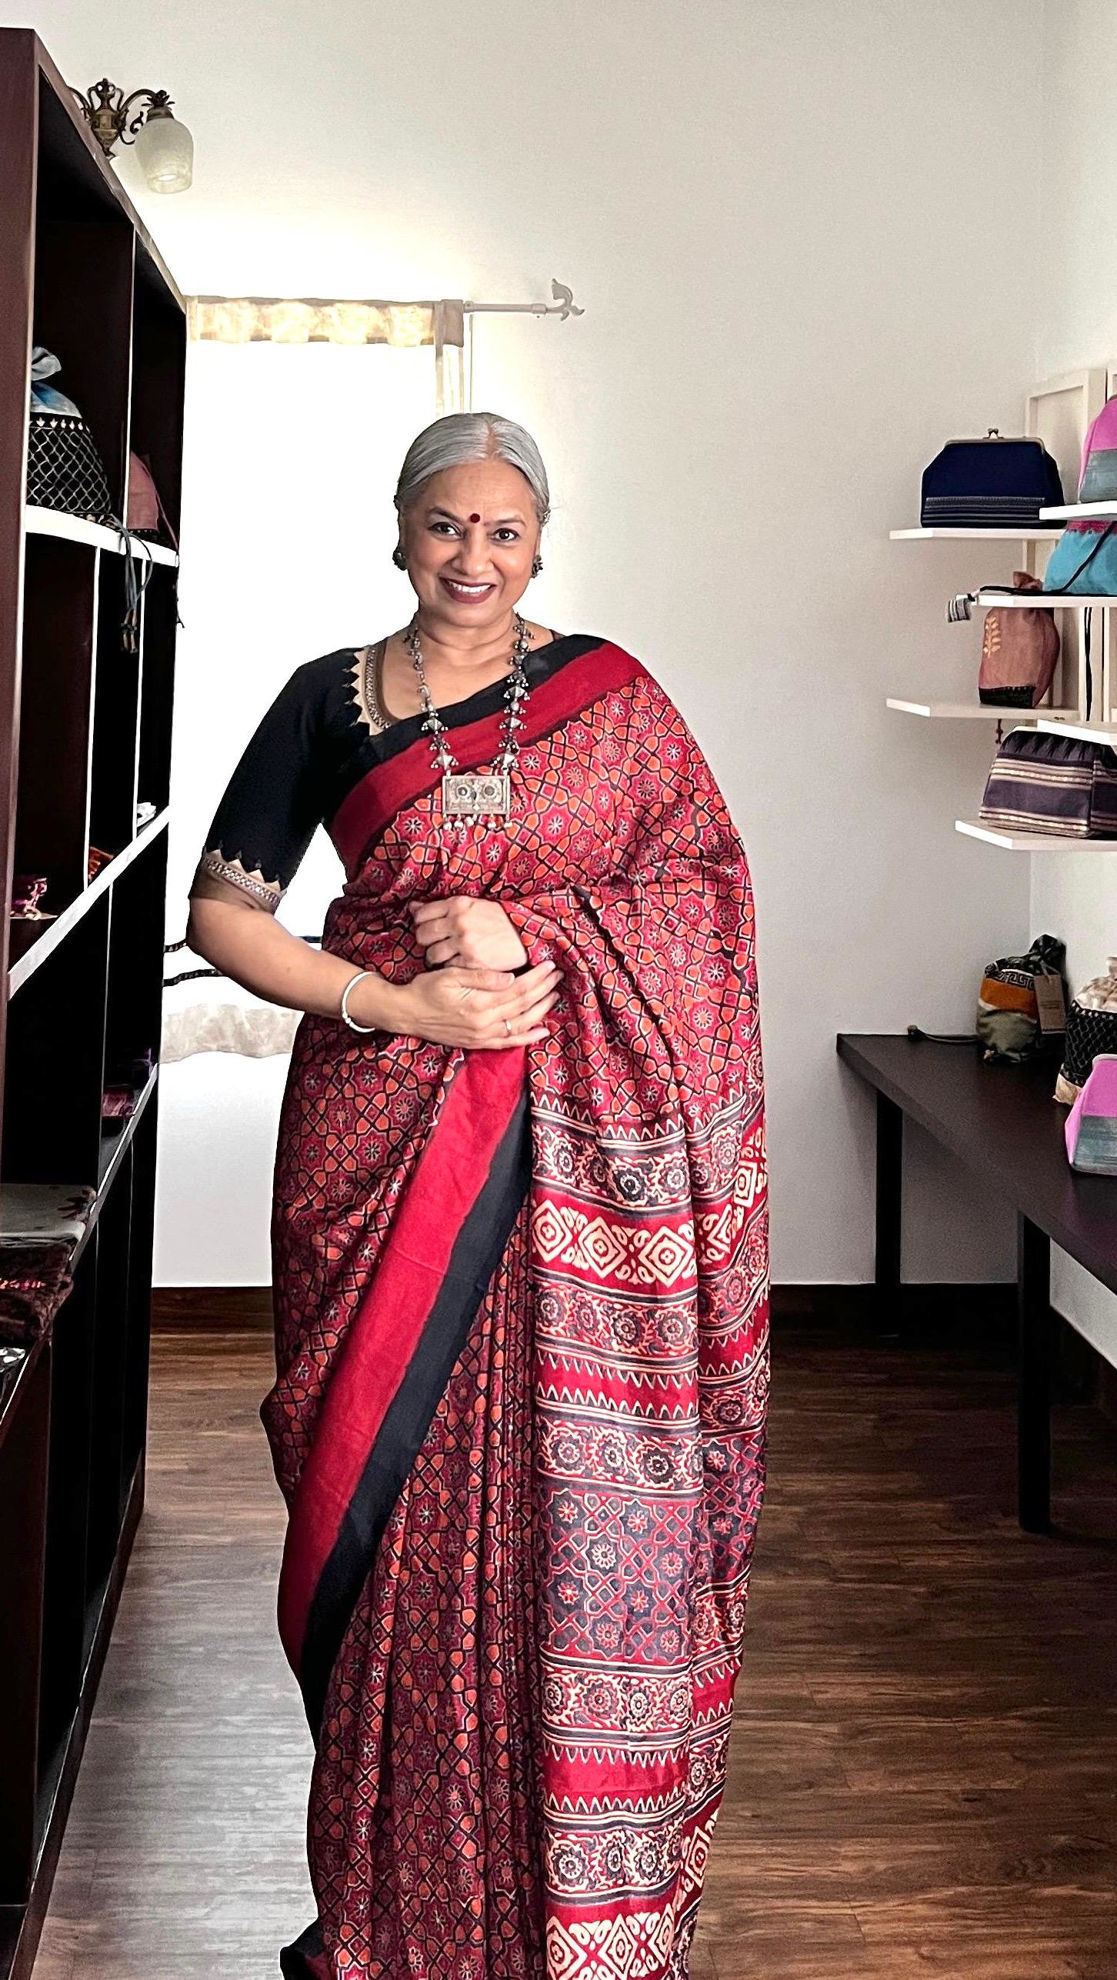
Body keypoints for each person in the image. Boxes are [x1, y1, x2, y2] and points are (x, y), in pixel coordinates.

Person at [186, 411, 770, 1980]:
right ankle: (392, 1899)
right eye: (447, 523)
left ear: (540, 543)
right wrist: (399, 1003)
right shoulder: (323, 700)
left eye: (504, 530)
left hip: (582, 1154)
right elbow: (226, 913)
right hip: (380, 1132)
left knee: (574, 1516)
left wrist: (535, 939)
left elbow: (704, 899)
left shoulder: (613, 697)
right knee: (381, 1498)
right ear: (398, 528)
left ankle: (569, 1890)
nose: (473, 556)